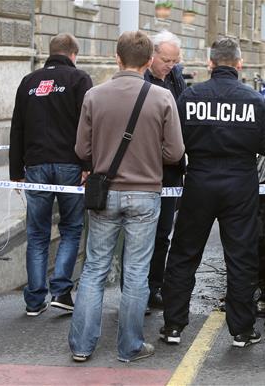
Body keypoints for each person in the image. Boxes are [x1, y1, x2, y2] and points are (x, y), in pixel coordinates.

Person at [160, 37, 265, 348]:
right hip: (240, 184)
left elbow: (173, 144)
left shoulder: (190, 96)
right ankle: (242, 330)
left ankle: (174, 326)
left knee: (184, 254)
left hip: (199, 181)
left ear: (210, 63)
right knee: (240, 258)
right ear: (239, 64)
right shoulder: (252, 99)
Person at [69, 30, 184, 363]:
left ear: (116, 58)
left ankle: (81, 345)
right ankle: (130, 345)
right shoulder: (163, 98)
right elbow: (175, 152)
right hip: (146, 194)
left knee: (93, 270)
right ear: (149, 61)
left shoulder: (94, 95)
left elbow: (81, 149)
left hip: (105, 194)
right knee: (136, 273)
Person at [9, 33, 93, 317]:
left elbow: (17, 127)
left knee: (37, 233)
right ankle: (60, 290)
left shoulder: (29, 82)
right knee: (70, 229)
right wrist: (87, 164)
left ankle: (34, 300)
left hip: (35, 165)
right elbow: (87, 125)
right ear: (73, 54)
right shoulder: (79, 79)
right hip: (69, 163)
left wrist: (14, 171)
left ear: (51, 52)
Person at [143, 30, 187, 309]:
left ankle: (153, 287)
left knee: (162, 234)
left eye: (174, 60)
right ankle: (136, 289)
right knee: (141, 234)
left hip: (170, 171)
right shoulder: (141, 81)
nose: (170, 65)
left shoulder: (175, 78)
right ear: (151, 57)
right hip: (145, 168)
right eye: (166, 60)